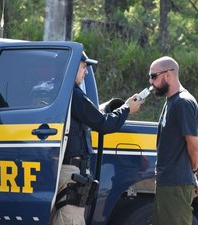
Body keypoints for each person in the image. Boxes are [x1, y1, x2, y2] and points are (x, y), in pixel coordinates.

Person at [53, 52, 143, 225]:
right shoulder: (74, 94)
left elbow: (92, 116)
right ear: (71, 67)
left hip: (60, 169)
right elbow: (103, 124)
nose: (86, 72)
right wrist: (126, 109)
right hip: (71, 171)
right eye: (84, 66)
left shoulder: (55, 92)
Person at [149, 56, 198, 225]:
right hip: (169, 183)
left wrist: (192, 173)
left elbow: (193, 145)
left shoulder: (183, 103)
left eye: (154, 76)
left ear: (168, 75)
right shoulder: (171, 101)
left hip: (176, 185)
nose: (150, 81)